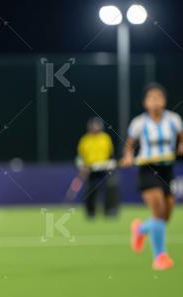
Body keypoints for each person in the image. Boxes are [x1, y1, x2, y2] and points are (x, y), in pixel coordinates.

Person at [122, 83, 183, 271]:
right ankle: (160, 257)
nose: (155, 101)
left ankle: (140, 230)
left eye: (159, 97)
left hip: (167, 169)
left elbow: (181, 138)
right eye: (151, 98)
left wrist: (181, 146)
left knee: (166, 215)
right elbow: (130, 144)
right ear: (145, 103)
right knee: (158, 208)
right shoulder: (139, 123)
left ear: (164, 101)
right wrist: (128, 156)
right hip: (148, 168)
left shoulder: (174, 119)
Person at [76, 117, 118, 218]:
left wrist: (111, 165)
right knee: (90, 190)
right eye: (93, 126)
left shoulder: (105, 138)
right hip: (91, 170)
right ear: (89, 127)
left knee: (109, 189)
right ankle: (90, 212)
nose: (96, 128)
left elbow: (111, 154)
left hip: (104, 169)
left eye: (97, 126)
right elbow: (80, 157)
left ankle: (110, 211)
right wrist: (82, 167)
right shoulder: (84, 140)